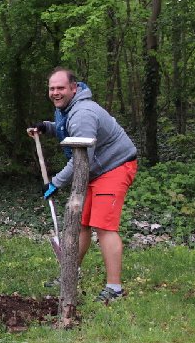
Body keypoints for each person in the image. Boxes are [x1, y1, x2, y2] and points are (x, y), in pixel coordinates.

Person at [28, 67, 137, 303]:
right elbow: (66, 129)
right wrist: (47, 127)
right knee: (82, 223)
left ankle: (114, 288)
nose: (55, 92)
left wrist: (56, 183)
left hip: (114, 167)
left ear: (74, 88)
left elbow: (81, 158)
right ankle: (70, 275)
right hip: (96, 168)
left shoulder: (83, 114)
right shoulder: (67, 109)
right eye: (52, 88)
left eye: (60, 88)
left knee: (104, 226)